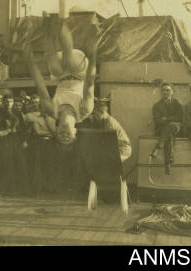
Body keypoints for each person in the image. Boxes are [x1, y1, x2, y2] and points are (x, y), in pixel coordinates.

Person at [23, 15, 114, 149]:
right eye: (68, 138)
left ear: (57, 131)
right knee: (68, 61)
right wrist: (93, 53)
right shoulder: (85, 111)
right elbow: (89, 82)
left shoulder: (51, 111)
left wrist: (29, 61)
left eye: (61, 138)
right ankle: (59, 20)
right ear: (75, 132)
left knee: (54, 66)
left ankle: (49, 24)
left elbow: (40, 86)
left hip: (60, 76)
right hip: (80, 71)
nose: (64, 136)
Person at [151, 82, 184, 175]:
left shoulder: (177, 103)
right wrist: (171, 119)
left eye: (168, 90)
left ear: (172, 92)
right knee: (169, 134)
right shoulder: (157, 105)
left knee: (171, 127)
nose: (165, 92)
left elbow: (180, 117)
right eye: (163, 90)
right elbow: (157, 120)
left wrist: (166, 118)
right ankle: (168, 164)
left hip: (175, 128)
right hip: (162, 129)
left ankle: (158, 147)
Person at [24, 103, 57, 195]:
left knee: (50, 166)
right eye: (42, 109)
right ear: (39, 109)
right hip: (39, 144)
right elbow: (38, 132)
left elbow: (55, 133)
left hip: (50, 144)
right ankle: (37, 189)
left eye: (46, 109)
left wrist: (47, 122)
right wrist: (50, 132)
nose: (44, 111)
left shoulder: (51, 119)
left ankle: (50, 188)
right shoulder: (35, 118)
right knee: (37, 166)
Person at [0, 94, 19, 195]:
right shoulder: (1, 111)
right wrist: (7, 130)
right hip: (4, 140)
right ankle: (5, 189)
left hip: (15, 140)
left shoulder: (16, 112)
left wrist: (10, 129)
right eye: (7, 101)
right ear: (3, 102)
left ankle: (13, 189)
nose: (9, 104)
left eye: (11, 102)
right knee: (5, 163)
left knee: (15, 164)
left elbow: (18, 121)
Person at [12, 97, 30, 195]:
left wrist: (24, 140)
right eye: (16, 105)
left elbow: (24, 130)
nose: (17, 107)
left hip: (20, 142)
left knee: (22, 166)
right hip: (11, 142)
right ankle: (14, 190)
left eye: (19, 105)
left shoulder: (22, 115)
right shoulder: (10, 114)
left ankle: (24, 190)